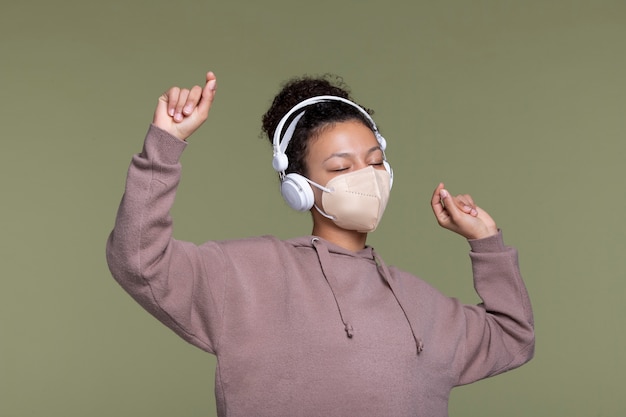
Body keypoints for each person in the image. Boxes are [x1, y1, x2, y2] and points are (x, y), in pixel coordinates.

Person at [106, 71, 534, 417]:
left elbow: (513, 337)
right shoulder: (246, 276)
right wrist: (165, 145)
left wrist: (486, 242)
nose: (366, 176)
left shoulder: (423, 306)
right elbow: (138, 259)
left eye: (375, 162)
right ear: (299, 188)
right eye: (340, 167)